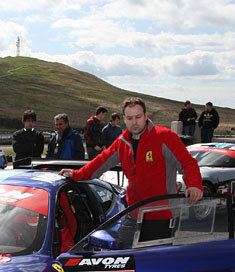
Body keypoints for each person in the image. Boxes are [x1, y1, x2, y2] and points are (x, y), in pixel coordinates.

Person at [60, 97, 203, 244]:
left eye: (138, 117)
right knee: (123, 253)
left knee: (154, 262)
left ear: (146, 116)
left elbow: (188, 163)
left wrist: (194, 184)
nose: (134, 122)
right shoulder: (123, 141)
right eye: (129, 118)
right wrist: (77, 174)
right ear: (124, 119)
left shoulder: (165, 137)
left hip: (162, 215)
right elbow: (101, 161)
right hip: (134, 213)